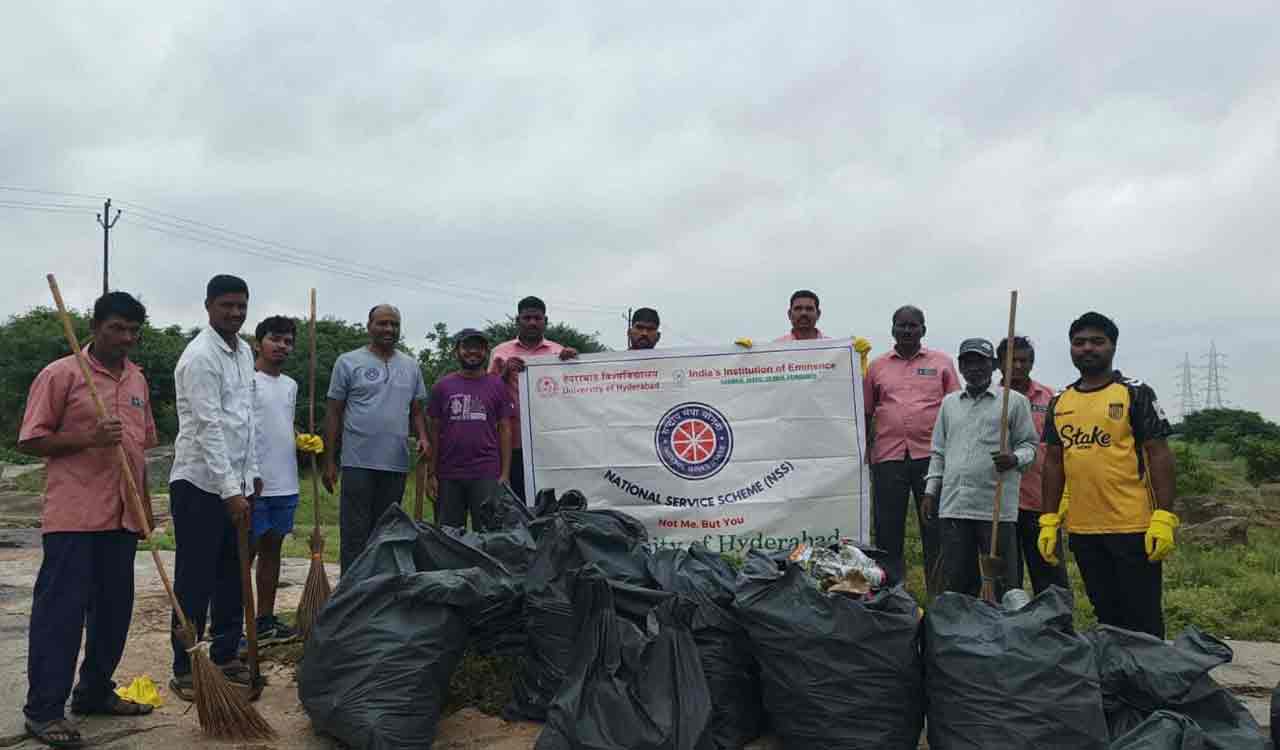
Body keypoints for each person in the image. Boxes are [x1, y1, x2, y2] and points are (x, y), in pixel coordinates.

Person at [18, 292, 158, 747]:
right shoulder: (61, 374)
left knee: (114, 614)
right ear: (95, 327)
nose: (126, 338)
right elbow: (31, 440)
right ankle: (43, 711)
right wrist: (87, 436)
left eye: (134, 331)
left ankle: (94, 691)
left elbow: (141, 447)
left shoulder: (137, 380)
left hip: (122, 517)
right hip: (74, 518)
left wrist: (146, 509)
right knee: (60, 615)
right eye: (117, 328)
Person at [1039, 312, 1176, 638]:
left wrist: (1164, 517)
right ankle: (1117, 684)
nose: (1087, 348)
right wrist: (1048, 520)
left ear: (1112, 346)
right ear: (1070, 348)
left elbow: (1159, 454)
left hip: (1133, 526)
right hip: (1084, 529)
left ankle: (1149, 685)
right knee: (1106, 615)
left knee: (1142, 618)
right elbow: (1054, 462)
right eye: (1079, 342)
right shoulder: (1060, 401)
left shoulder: (1135, 393)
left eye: (1097, 342)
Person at [169, 275, 260, 699]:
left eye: (241, 305)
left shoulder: (243, 352)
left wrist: (251, 475)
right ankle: (186, 667)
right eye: (227, 306)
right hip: (199, 484)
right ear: (208, 306)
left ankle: (225, 655)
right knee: (195, 580)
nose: (235, 313)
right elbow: (208, 428)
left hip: (236, 483)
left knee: (232, 575)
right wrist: (229, 490)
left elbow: (245, 418)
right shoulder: (200, 356)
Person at [923, 338, 1038, 597]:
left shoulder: (1013, 401)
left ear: (994, 365)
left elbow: (1030, 445)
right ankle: (962, 633)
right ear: (960, 367)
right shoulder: (949, 403)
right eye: (968, 362)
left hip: (995, 509)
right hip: (955, 505)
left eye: (981, 362)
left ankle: (1002, 632)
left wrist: (1014, 459)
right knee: (958, 581)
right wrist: (931, 491)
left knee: (1001, 583)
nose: (974, 368)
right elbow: (939, 451)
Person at [323, 304, 429, 574]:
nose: (389, 329)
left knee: (386, 533)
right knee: (354, 533)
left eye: (394, 324)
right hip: (357, 461)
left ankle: (378, 593)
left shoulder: (411, 365)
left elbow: (416, 411)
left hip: (395, 463)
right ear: (369, 326)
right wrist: (330, 461)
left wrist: (424, 437)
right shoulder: (348, 361)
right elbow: (334, 411)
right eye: (382, 323)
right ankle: (350, 595)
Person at [863, 305, 959, 590]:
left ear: (923, 330)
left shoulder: (942, 362)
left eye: (913, 325)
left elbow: (955, 408)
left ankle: (940, 596)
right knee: (887, 529)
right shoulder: (877, 367)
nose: (907, 330)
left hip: (931, 458)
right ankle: (892, 594)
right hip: (887, 457)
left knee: (936, 528)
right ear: (892, 329)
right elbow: (867, 412)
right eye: (902, 325)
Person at [245, 316, 319, 646]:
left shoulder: (290, 385)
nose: (282, 346)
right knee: (244, 554)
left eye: (288, 341)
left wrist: (301, 439)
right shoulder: (247, 380)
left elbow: (279, 426)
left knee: (272, 551)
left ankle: (264, 620)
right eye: (275, 339)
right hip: (253, 483)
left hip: (285, 481)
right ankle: (236, 621)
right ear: (260, 341)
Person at [996, 335, 1070, 595]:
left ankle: (1057, 628)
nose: (1017, 366)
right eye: (1011, 360)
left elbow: (1063, 449)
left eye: (1023, 360)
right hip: (1000, 504)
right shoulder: (989, 399)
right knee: (1005, 579)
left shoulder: (1050, 398)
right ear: (998, 363)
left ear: (1032, 363)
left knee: (1050, 574)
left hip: (1041, 501)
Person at [489, 296, 579, 502]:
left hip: (550, 443)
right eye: (527, 317)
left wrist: (575, 363)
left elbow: (573, 395)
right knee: (516, 501)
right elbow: (488, 393)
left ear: (545, 321)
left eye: (537, 318)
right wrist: (504, 373)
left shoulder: (559, 352)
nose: (532, 322)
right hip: (512, 443)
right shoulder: (500, 353)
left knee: (548, 502)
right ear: (517, 320)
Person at [426, 329, 515, 529]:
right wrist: (432, 474)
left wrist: (505, 475)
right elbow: (434, 432)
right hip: (449, 474)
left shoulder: (497, 385)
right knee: (448, 537)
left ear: (486, 352)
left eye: (479, 347)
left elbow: (505, 429)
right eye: (467, 347)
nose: (473, 352)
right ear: (456, 351)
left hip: (486, 473)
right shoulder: (442, 386)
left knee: (489, 535)